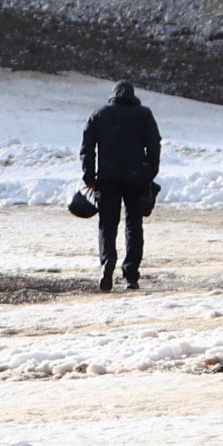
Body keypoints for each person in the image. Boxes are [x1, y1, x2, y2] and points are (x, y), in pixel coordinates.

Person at [77, 75, 162, 288]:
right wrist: (150, 172)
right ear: (133, 96)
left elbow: (87, 147)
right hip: (136, 178)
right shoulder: (144, 115)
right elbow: (154, 145)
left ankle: (107, 262)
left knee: (107, 224)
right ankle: (131, 274)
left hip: (107, 179)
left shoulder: (99, 114)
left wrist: (89, 176)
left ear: (113, 96)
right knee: (134, 224)